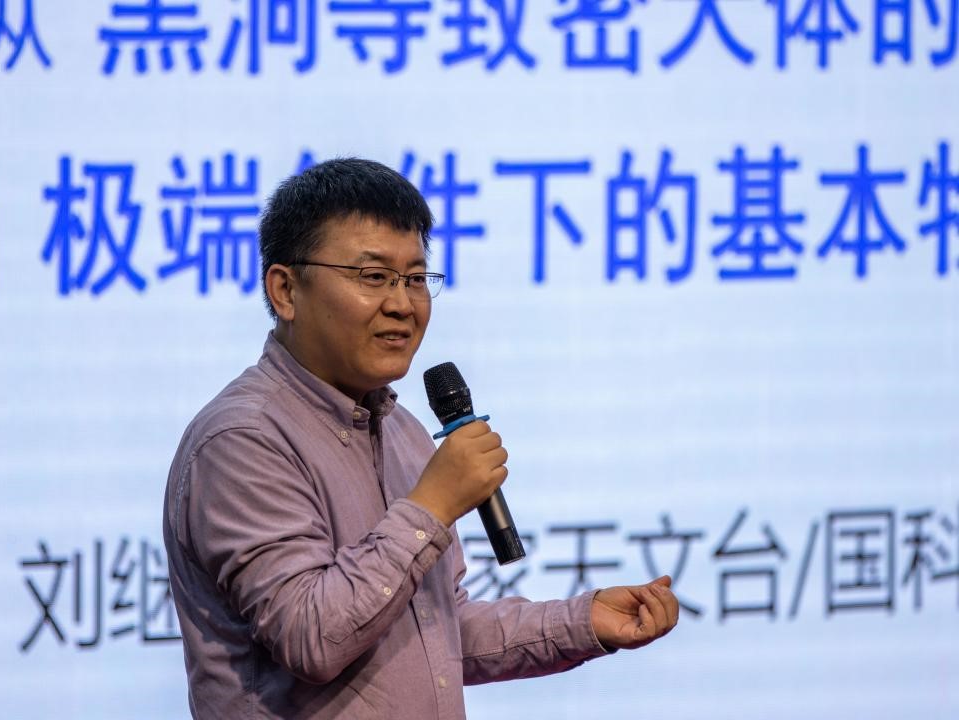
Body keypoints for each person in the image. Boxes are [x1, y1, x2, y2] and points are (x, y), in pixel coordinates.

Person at [163, 158, 679, 719]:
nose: (402, 304)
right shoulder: (241, 440)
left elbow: (435, 632)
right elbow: (312, 636)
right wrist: (431, 505)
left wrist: (582, 622)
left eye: (415, 278)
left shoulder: (402, 429)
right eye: (373, 277)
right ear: (285, 290)